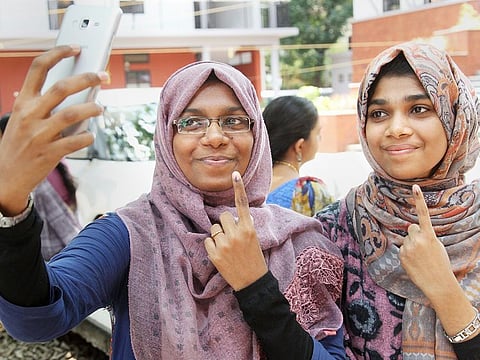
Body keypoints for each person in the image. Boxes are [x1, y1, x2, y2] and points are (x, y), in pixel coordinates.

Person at [0, 45, 346, 359]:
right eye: (192, 121)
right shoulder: (132, 235)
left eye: (234, 121)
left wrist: (256, 283)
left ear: (257, 135)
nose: (214, 137)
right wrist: (10, 205)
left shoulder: (301, 243)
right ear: (167, 135)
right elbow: (37, 320)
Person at [213, 42, 480, 359]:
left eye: (418, 109)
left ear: (456, 119)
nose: (396, 129)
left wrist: (444, 289)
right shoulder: (335, 229)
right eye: (379, 113)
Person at [0, 112, 81, 260]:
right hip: (64, 250)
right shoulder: (55, 159)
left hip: (55, 254)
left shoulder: (32, 175)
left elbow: (60, 222)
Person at [264, 96, 334, 216]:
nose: (320, 139)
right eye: (317, 133)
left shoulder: (249, 187)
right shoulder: (307, 191)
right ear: (299, 146)